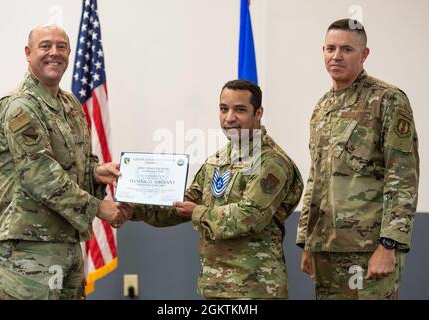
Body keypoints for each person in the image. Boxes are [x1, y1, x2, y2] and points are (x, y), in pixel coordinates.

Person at [0, 24, 129, 300]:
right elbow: (40, 175)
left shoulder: (70, 104)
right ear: (28, 53)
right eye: (45, 46)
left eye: (61, 47)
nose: (55, 53)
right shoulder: (20, 106)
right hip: (27, 248)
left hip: (66, 240)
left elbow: (77, 164)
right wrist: (99, 208)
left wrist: (96, 172)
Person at [127, 79, 304, 299]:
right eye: (223, 109)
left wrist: (198, 212)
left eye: (239, 110)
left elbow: (249, 217)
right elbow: (182, 204)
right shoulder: (218, 159)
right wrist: (133, 207)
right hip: (216, 286)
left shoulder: (271, 162)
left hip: (255, 288)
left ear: (258, 113)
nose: (229, 118)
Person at [296, 19, 420, 300]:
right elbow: (316, 176)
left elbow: (402, 176)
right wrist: (307, 240)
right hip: (326, 248)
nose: (336, 56)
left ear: (364, 55)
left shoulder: (387, 100)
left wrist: (389, 245)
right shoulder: (322, 107)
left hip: (368, 249)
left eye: (346, 49)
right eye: (330, 48)